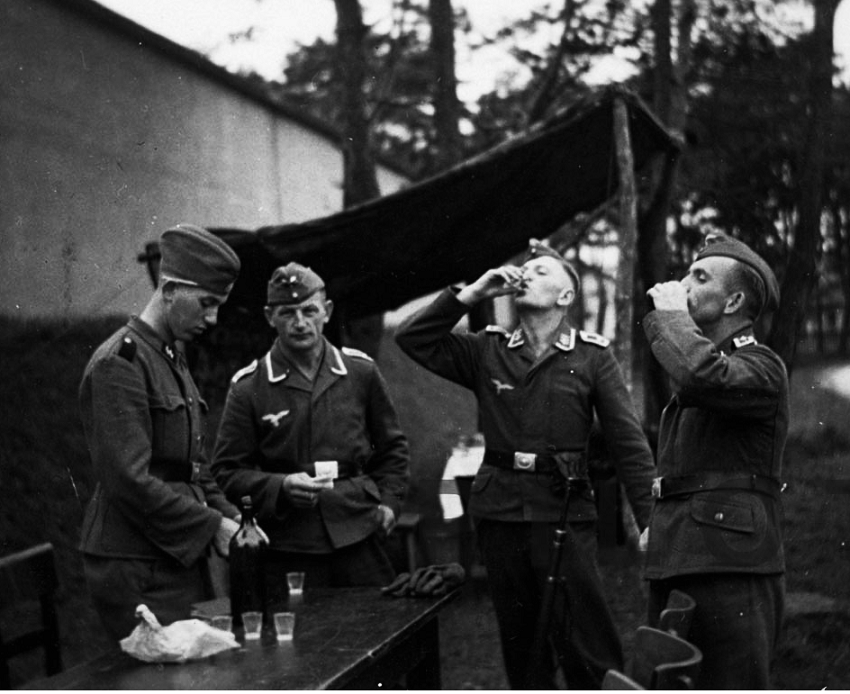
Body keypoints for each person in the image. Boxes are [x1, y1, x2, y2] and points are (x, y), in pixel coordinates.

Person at [395, 239, 656, 689]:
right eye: (526, 269)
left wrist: (650, 519)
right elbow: (412, 339)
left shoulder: (592, 356)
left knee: (586, 642)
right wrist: (472, 294)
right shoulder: (487, 348)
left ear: (565, 296)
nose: (527, 274)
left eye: (542, 271)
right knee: (523, 649)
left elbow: (628, 443)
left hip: (562, 511)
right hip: (500, 513)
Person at [79, 223, 243, 641]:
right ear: (169, 290)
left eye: (218, 305)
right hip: (138, 563)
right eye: (206, 303)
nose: (213, 318)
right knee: (171, 670)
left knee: (209, 661)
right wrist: (212, 526)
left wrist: (232, 517)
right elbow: (128, 480)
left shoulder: (169, 357)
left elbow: (193, 468)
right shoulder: (120, 363)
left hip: (176, 553)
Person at [642, 232, 788, 689]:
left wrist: (670, 316)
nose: (684, 284)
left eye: (700, 277)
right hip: (680, 555)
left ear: (733, 302)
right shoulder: (704, 371)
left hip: (731, 563)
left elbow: (702, 375)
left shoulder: (761, 366)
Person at [211, 262, 409, 597]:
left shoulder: (359, 372)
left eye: (309, 310)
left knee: (377, 620)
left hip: (358, 529)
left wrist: (390, 502)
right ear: (269, 317)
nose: (300, 322)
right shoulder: (249, 386)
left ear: (327, 311)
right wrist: (281, 486)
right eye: (287, 313)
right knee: (296, 627)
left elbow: (392, 449)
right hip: (288, 542)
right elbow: (226, 472)